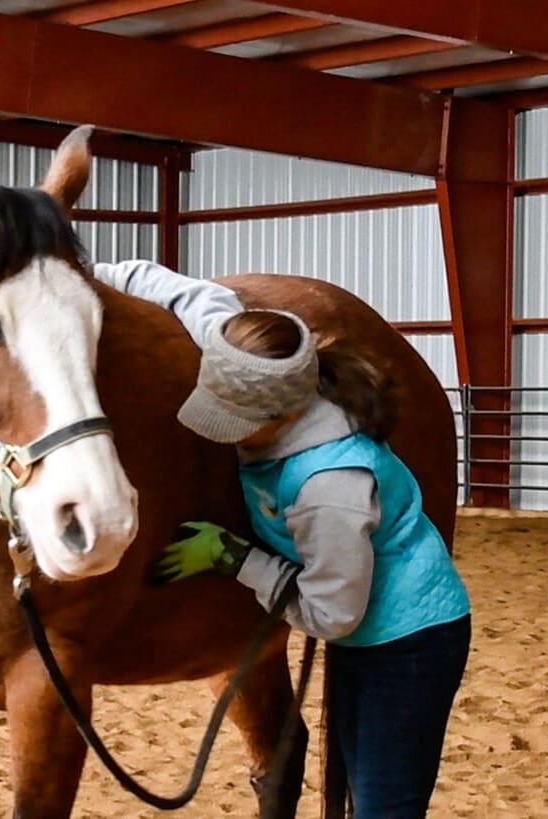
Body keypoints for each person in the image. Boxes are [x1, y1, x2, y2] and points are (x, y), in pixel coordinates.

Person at [92, 259, 471, 819]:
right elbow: (162, 283)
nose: (224, 433)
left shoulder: (329, 486)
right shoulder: (243, 346)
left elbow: (332, 613)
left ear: (285, 413)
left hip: (407, 643)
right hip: (367, 634)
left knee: (383, 805)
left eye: (237, 422)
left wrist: (232, 556)